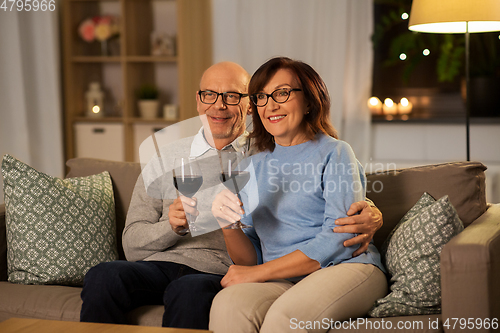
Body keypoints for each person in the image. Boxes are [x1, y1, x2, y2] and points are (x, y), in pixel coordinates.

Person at [80, 61, 383, 330]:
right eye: (209, 95)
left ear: (247, 106)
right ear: (198, 101)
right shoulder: (167, 158)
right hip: (168, 264)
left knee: (191, 291)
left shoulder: (255, 153)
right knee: (105, 275)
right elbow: (132, 242)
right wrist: (175, 226)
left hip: (218, 270)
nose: (219, 106)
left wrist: (370, 209)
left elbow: (332, 207)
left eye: (232, 97)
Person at [210, 57, 388, 333]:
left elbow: (342, 238)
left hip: (346, 268)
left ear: (309, 101)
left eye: (282, 93)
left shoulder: (335, 153)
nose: (270, 105)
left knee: (285, 318)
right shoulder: (252, 165)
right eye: (261, 97)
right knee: (227, 305)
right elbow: (251, 257)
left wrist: (259, 273)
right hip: (284, 278)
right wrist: (228, 225)